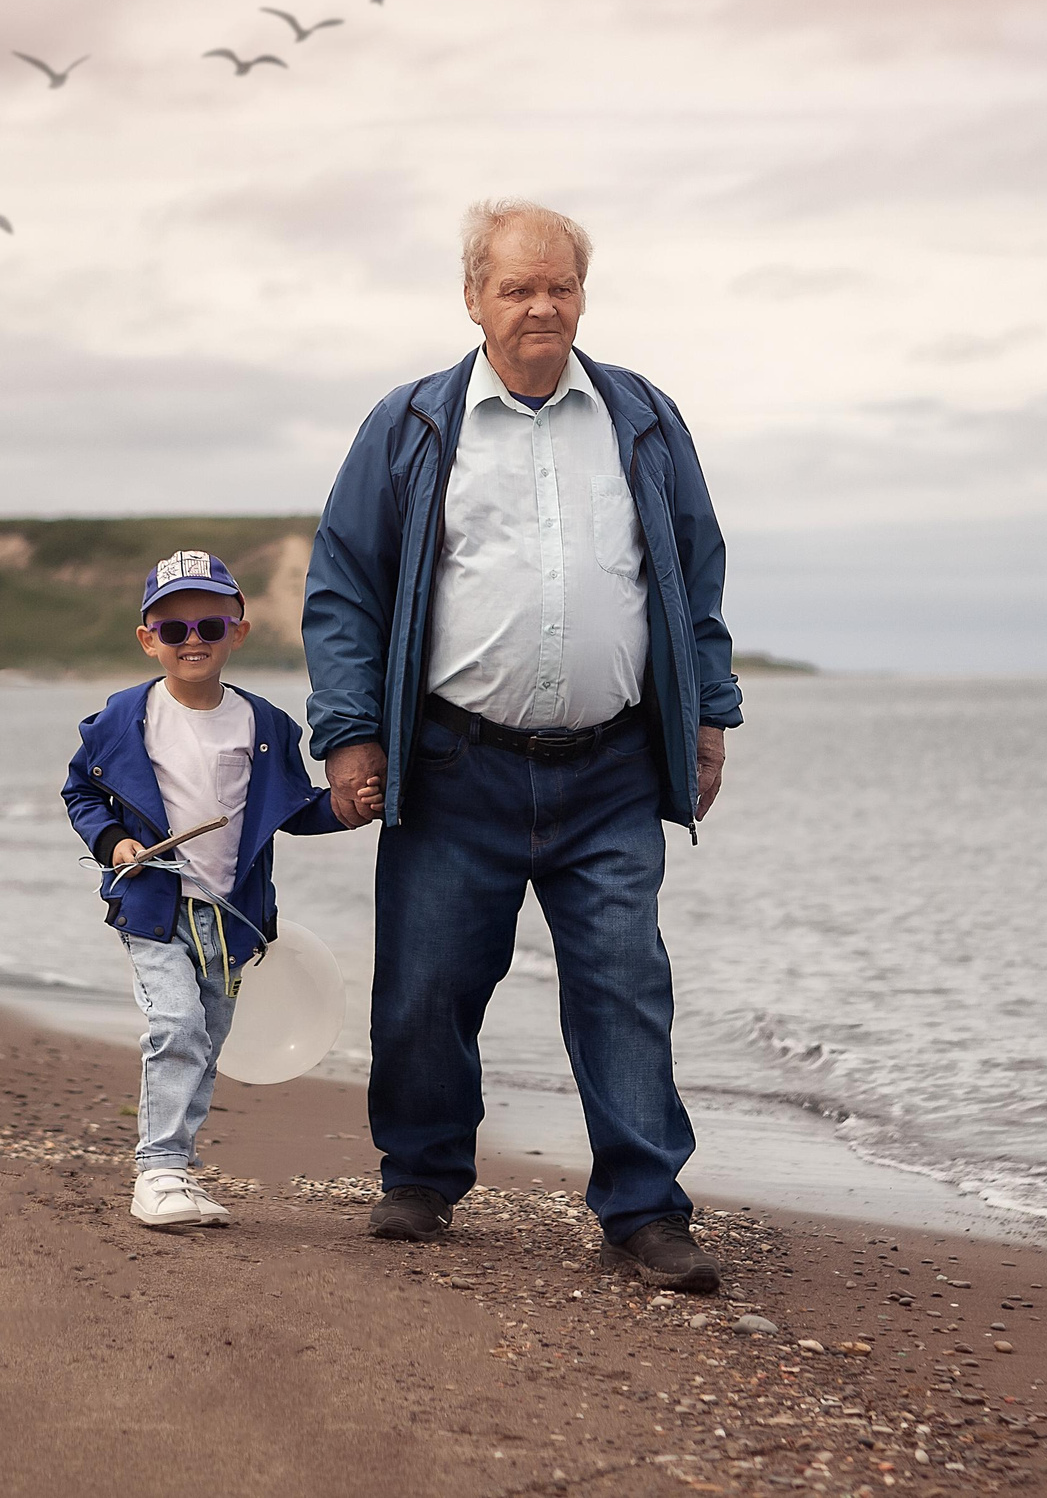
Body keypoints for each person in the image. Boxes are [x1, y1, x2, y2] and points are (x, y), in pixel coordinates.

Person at [303, 198, 742, 1291]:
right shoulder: (410, 425)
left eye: (560, 286)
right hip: (456, 764)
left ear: (583, 294)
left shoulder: (643, 418)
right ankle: (420, 1175)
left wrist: (709, 711)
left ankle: (644, 1206)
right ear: (473, 298)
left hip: (610, 767)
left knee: (624, 982)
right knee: (425, 987)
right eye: (516, 287)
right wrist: (352, 732)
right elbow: (345, 589)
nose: (541, 305)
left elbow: (692, 570)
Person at [61, 550, 374, 1230]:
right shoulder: (124, 716)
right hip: (154, 908)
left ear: (239, 629)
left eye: (208, 624)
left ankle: (178, 1167)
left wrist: (344, 810)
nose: (192, 640)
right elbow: (82, 790)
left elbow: (291, 810)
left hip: (232, 923)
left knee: (205, 1039)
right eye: (173, 630)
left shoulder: (266, 725)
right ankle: (156, 1171)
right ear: (149, 640)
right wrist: (113, 841)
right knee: (174, 1025)